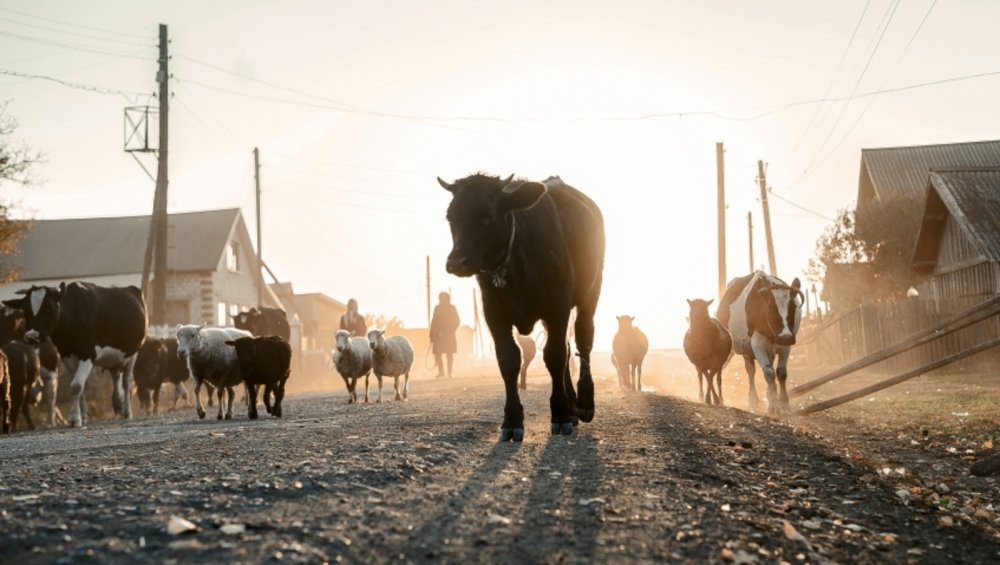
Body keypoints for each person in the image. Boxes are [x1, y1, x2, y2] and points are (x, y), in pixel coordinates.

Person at [429, 292, 460, 378]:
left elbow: (456, 321)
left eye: (443, 298)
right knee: (437, 354)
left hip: (449, 336)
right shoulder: (437, 308)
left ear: (447, 299)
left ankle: (449, 373)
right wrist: (431, 335)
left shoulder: (452, 308)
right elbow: (434, 321)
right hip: (438, 336)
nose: (441, 300)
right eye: (440, 298)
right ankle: (441, 372)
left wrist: (447, 331)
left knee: (449, 354)